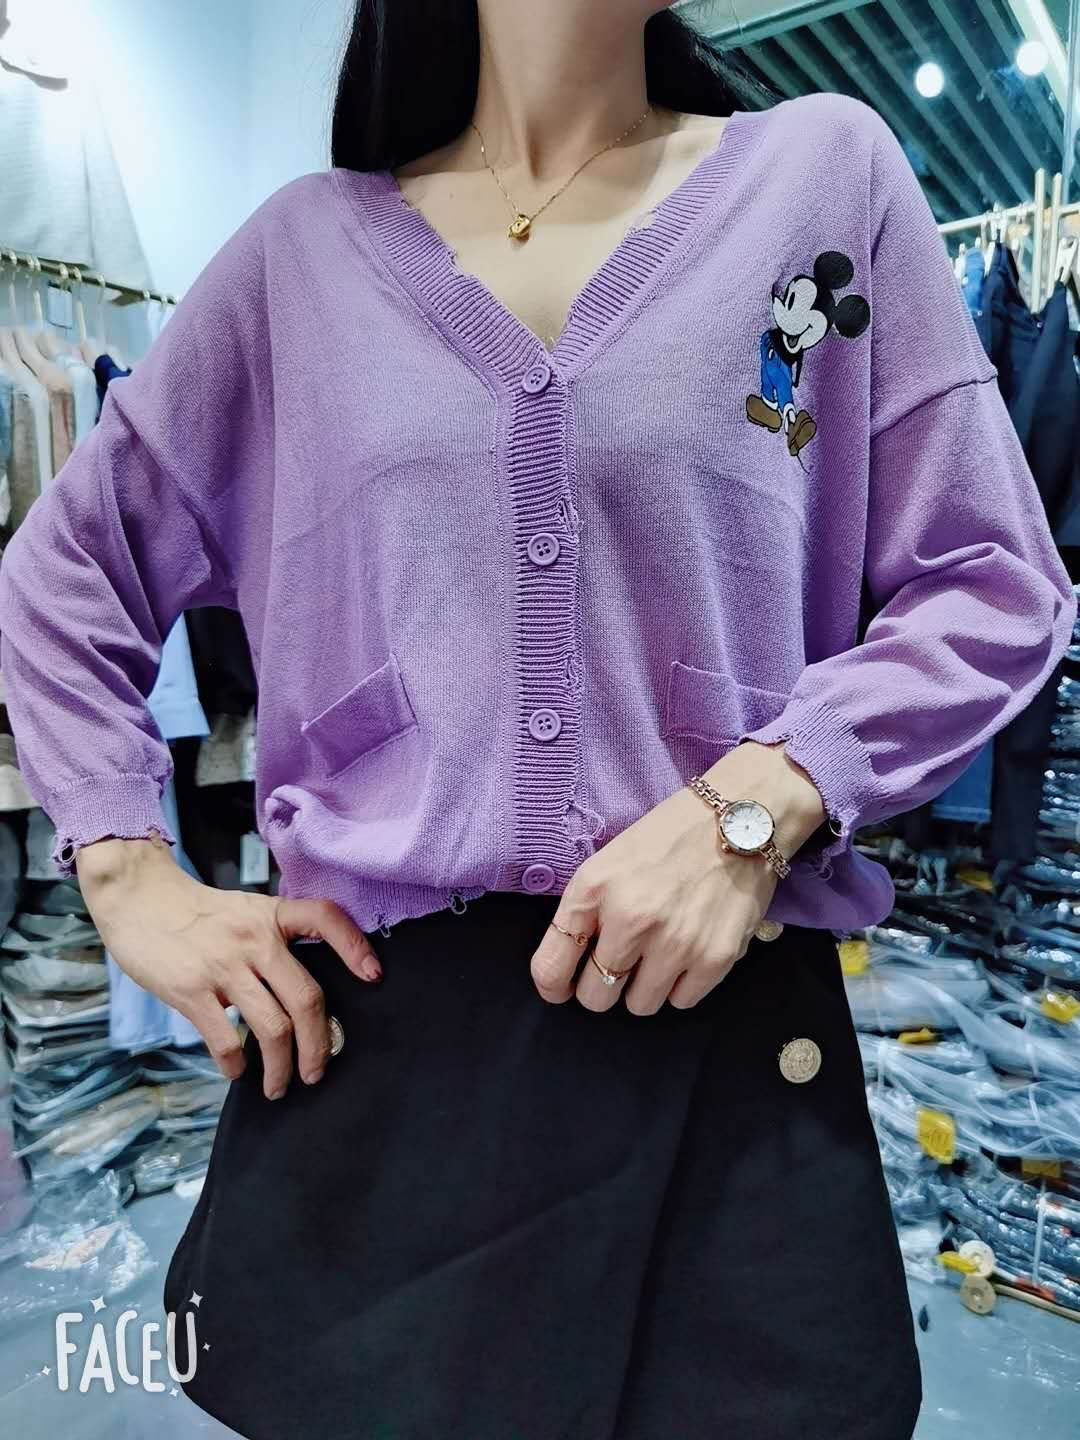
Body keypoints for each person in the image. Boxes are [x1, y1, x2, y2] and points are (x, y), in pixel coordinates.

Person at [0, 2, 1074, 1437]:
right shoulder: (300, 260)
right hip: (385, 1056)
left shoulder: (820, 183)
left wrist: (756, 803)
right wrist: (128, 873)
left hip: (721, 1045)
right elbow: (64, 571)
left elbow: (994, 577)